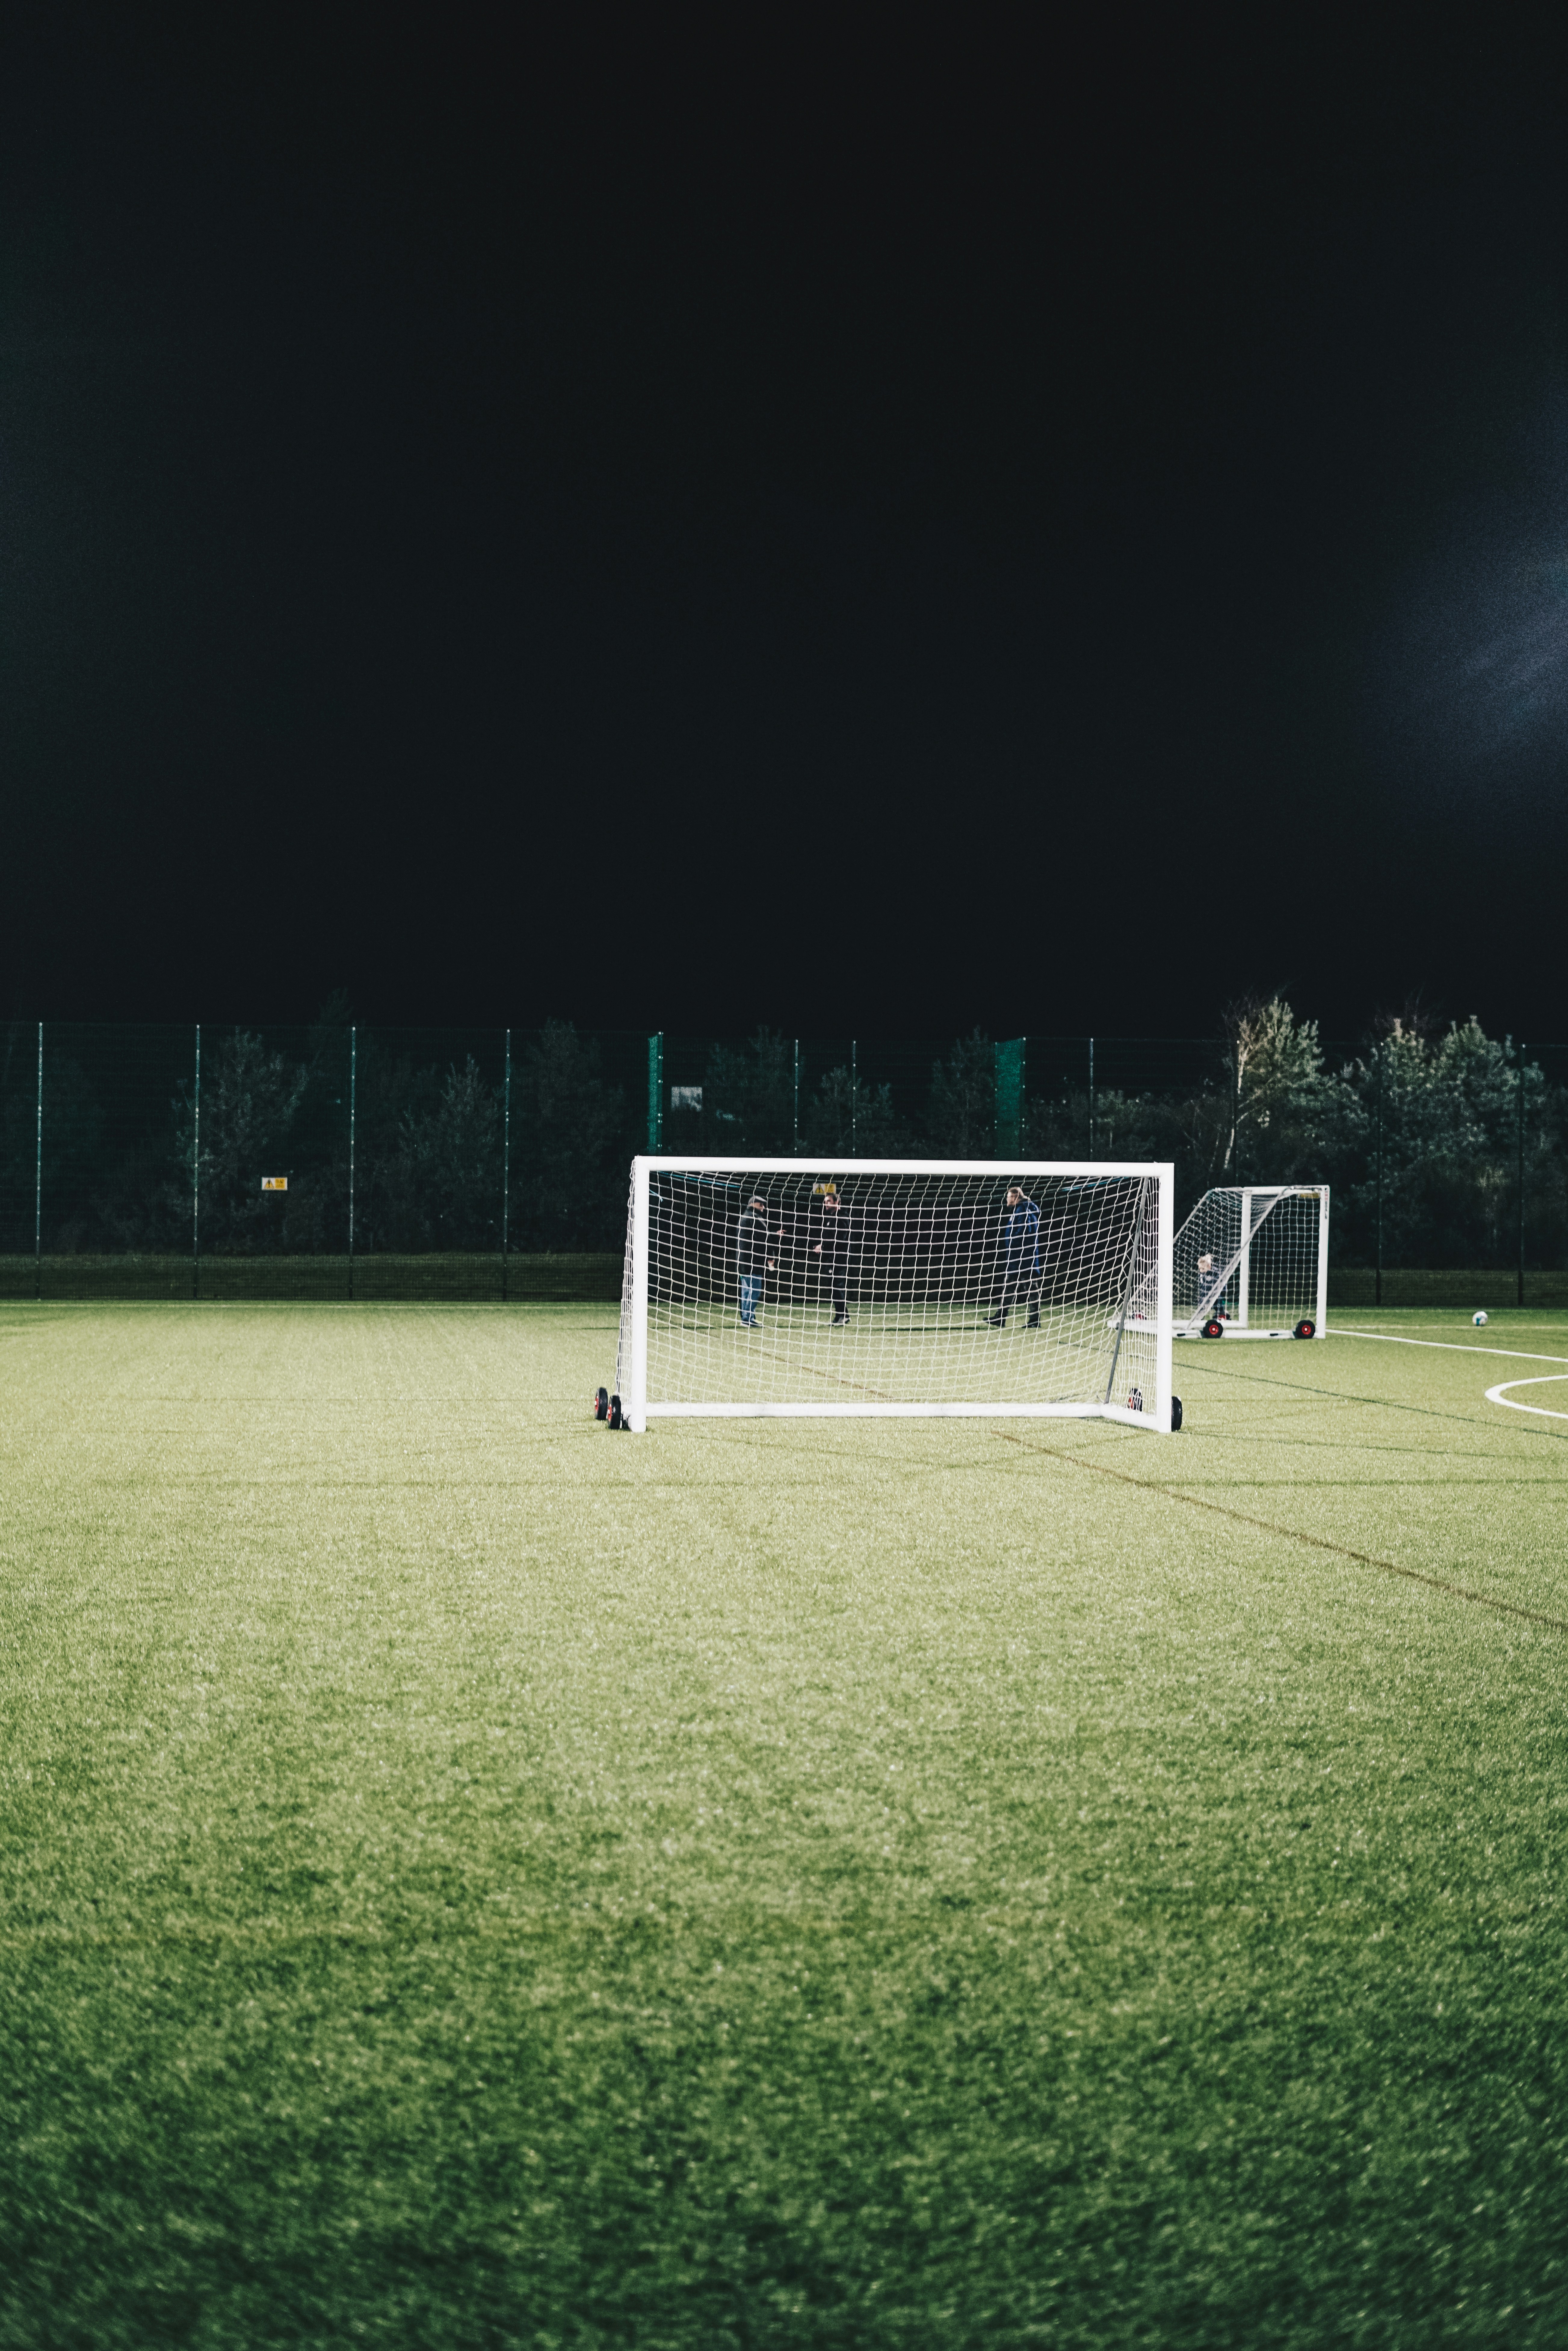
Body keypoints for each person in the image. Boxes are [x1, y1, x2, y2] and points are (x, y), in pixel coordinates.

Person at [987, 1184, 1041, 1327]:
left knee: (1030, 1288)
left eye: (1009, 1197)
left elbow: (1026, 1231)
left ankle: (1035, 1320)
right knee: (1010, 1287)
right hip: (1017, 1257)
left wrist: (1015, 1245)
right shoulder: (1020, 1209)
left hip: (1024, 1258)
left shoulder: (1024, 1210)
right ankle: (1000, 1317)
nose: (1007, 1199)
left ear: (1016, 1197)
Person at [810, 1184, 854, 1324]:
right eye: (825, 1202)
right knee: (833, 1287)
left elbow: (840, 1239)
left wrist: (822, 1247)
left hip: (839, 1259)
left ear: (837, 1202)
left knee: (837, 1286)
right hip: (832, 1258)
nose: (826, 1204)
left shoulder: (842, 1218)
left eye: (829, 1201)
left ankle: (843, 1316)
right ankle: (842, 1315)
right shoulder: (831, 1219)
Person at [736, 1195, 776, 1326]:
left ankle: (746, 1318)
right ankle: (748, 1318)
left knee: (746, 1291)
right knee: (754, 1290)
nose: (764, 1208)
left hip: (743, 1262)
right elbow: (766, 1239)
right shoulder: (755, 1218)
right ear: (753, 1204)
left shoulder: (744, 1217)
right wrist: (771, 1257)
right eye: (761, 1205)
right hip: (753, 1261)